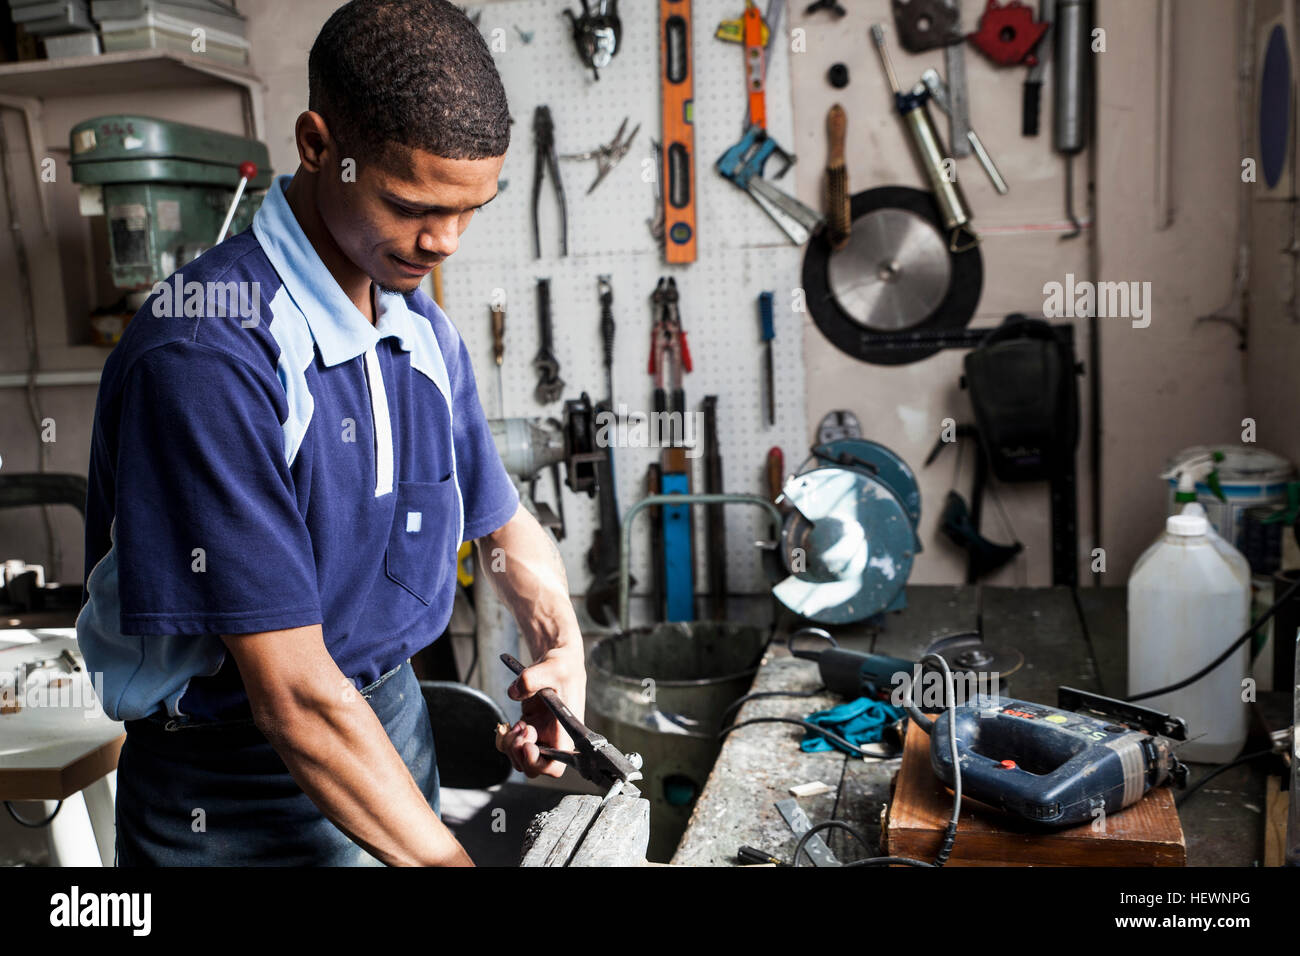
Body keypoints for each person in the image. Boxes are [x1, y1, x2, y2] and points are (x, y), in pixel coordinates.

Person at [76, 0, 586, 866]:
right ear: (318, 146)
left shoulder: (418, 326)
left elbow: (500, 521)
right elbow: (297, 700)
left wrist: (560, 650)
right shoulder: (206, 355)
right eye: (411, 203)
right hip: (237, 787)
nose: (446, 242)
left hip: (391, 729)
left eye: (472, 211)